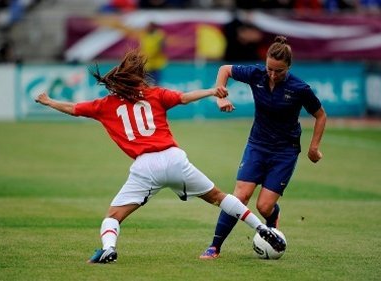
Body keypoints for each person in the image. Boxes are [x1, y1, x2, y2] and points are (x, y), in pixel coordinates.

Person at [35, 48, 286, 264]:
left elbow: (73, 109)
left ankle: (109, 249)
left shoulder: (106, 105)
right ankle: (262, 227)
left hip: (145, 166)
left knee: (113, 217)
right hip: (174, 158)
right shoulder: (155, 94)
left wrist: (48, 101)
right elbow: (185, 98)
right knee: (220, 197)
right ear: (138, 78)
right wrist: (212, 91)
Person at [200, 35, 326, 259]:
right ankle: (215, 247)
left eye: (279, 71)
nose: (273, 74)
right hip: (257, 145)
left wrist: (314, 147)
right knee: (239, 196)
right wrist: (219, 96)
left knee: (265, 207)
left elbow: (320, 115)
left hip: (285, 151)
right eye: (270, 68)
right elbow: (225, 69)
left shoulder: (299, 88)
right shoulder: (256, 74)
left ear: (289, 67)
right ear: (265, 62)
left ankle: (272, 222)